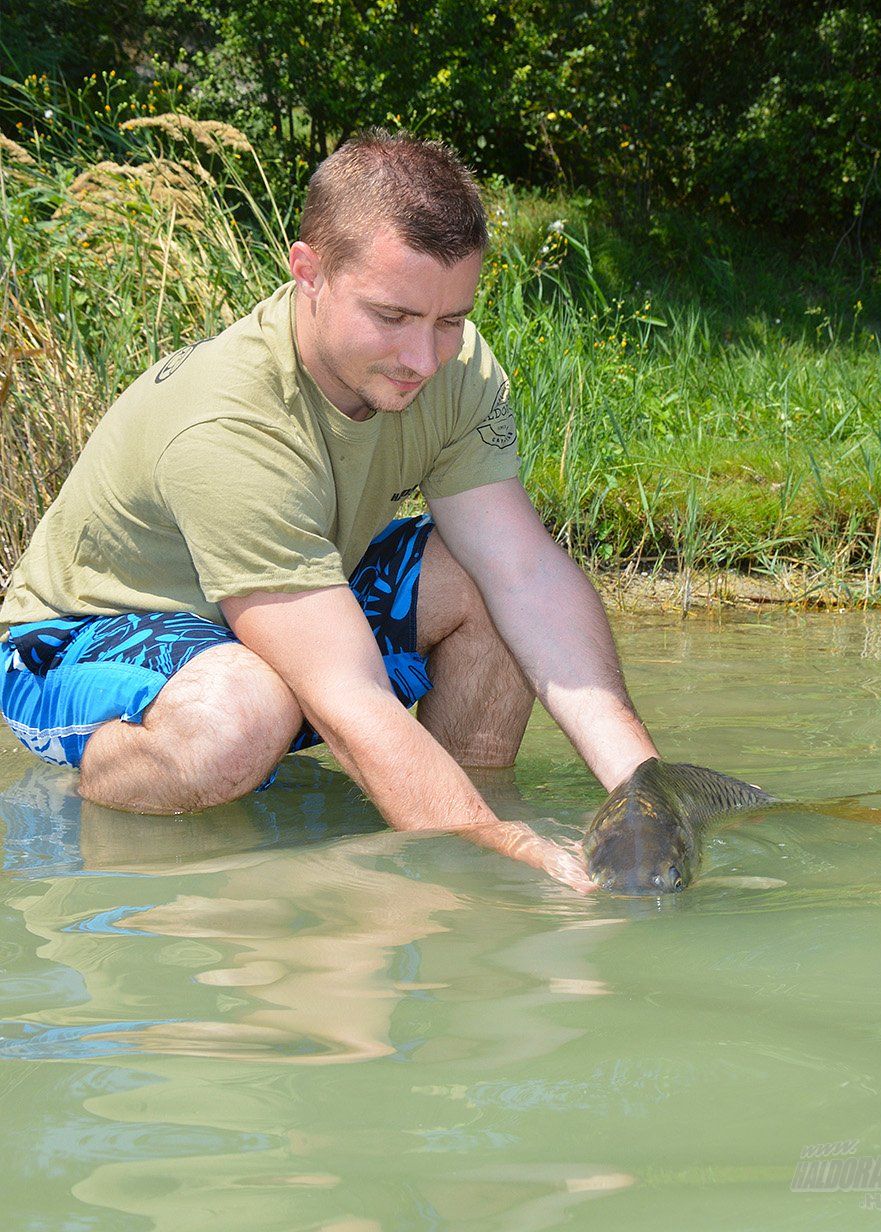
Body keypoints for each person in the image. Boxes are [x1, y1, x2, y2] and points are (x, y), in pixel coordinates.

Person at [0, 131, 659, 890]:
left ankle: (450, 814)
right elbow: (342, 691)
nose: (425, 358)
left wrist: (645, 791)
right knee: (240, 715)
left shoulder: (457, 364)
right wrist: (507, 852)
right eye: (392, 316)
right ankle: (78, 798)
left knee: (482, 580)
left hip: (287, 619)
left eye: (449, 319)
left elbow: (524, 576)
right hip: (79, 639)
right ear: (307, 273)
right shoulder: (229, 424)